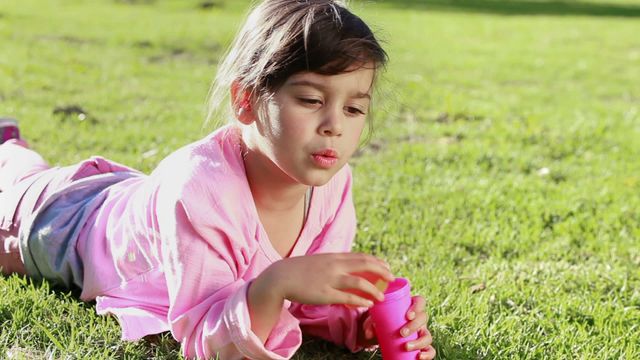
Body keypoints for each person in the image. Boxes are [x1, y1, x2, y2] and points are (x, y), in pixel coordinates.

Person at [0, 0, 436, 359]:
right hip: (63, 224)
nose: (334, 126)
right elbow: (205, 336)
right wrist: (275, 283)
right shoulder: (201, 190)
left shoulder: (332, 187)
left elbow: (307, 302)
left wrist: (358, 321)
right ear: (246, 100)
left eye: (354, 109)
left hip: (129, 197)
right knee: (17, 185)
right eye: (310, 99)